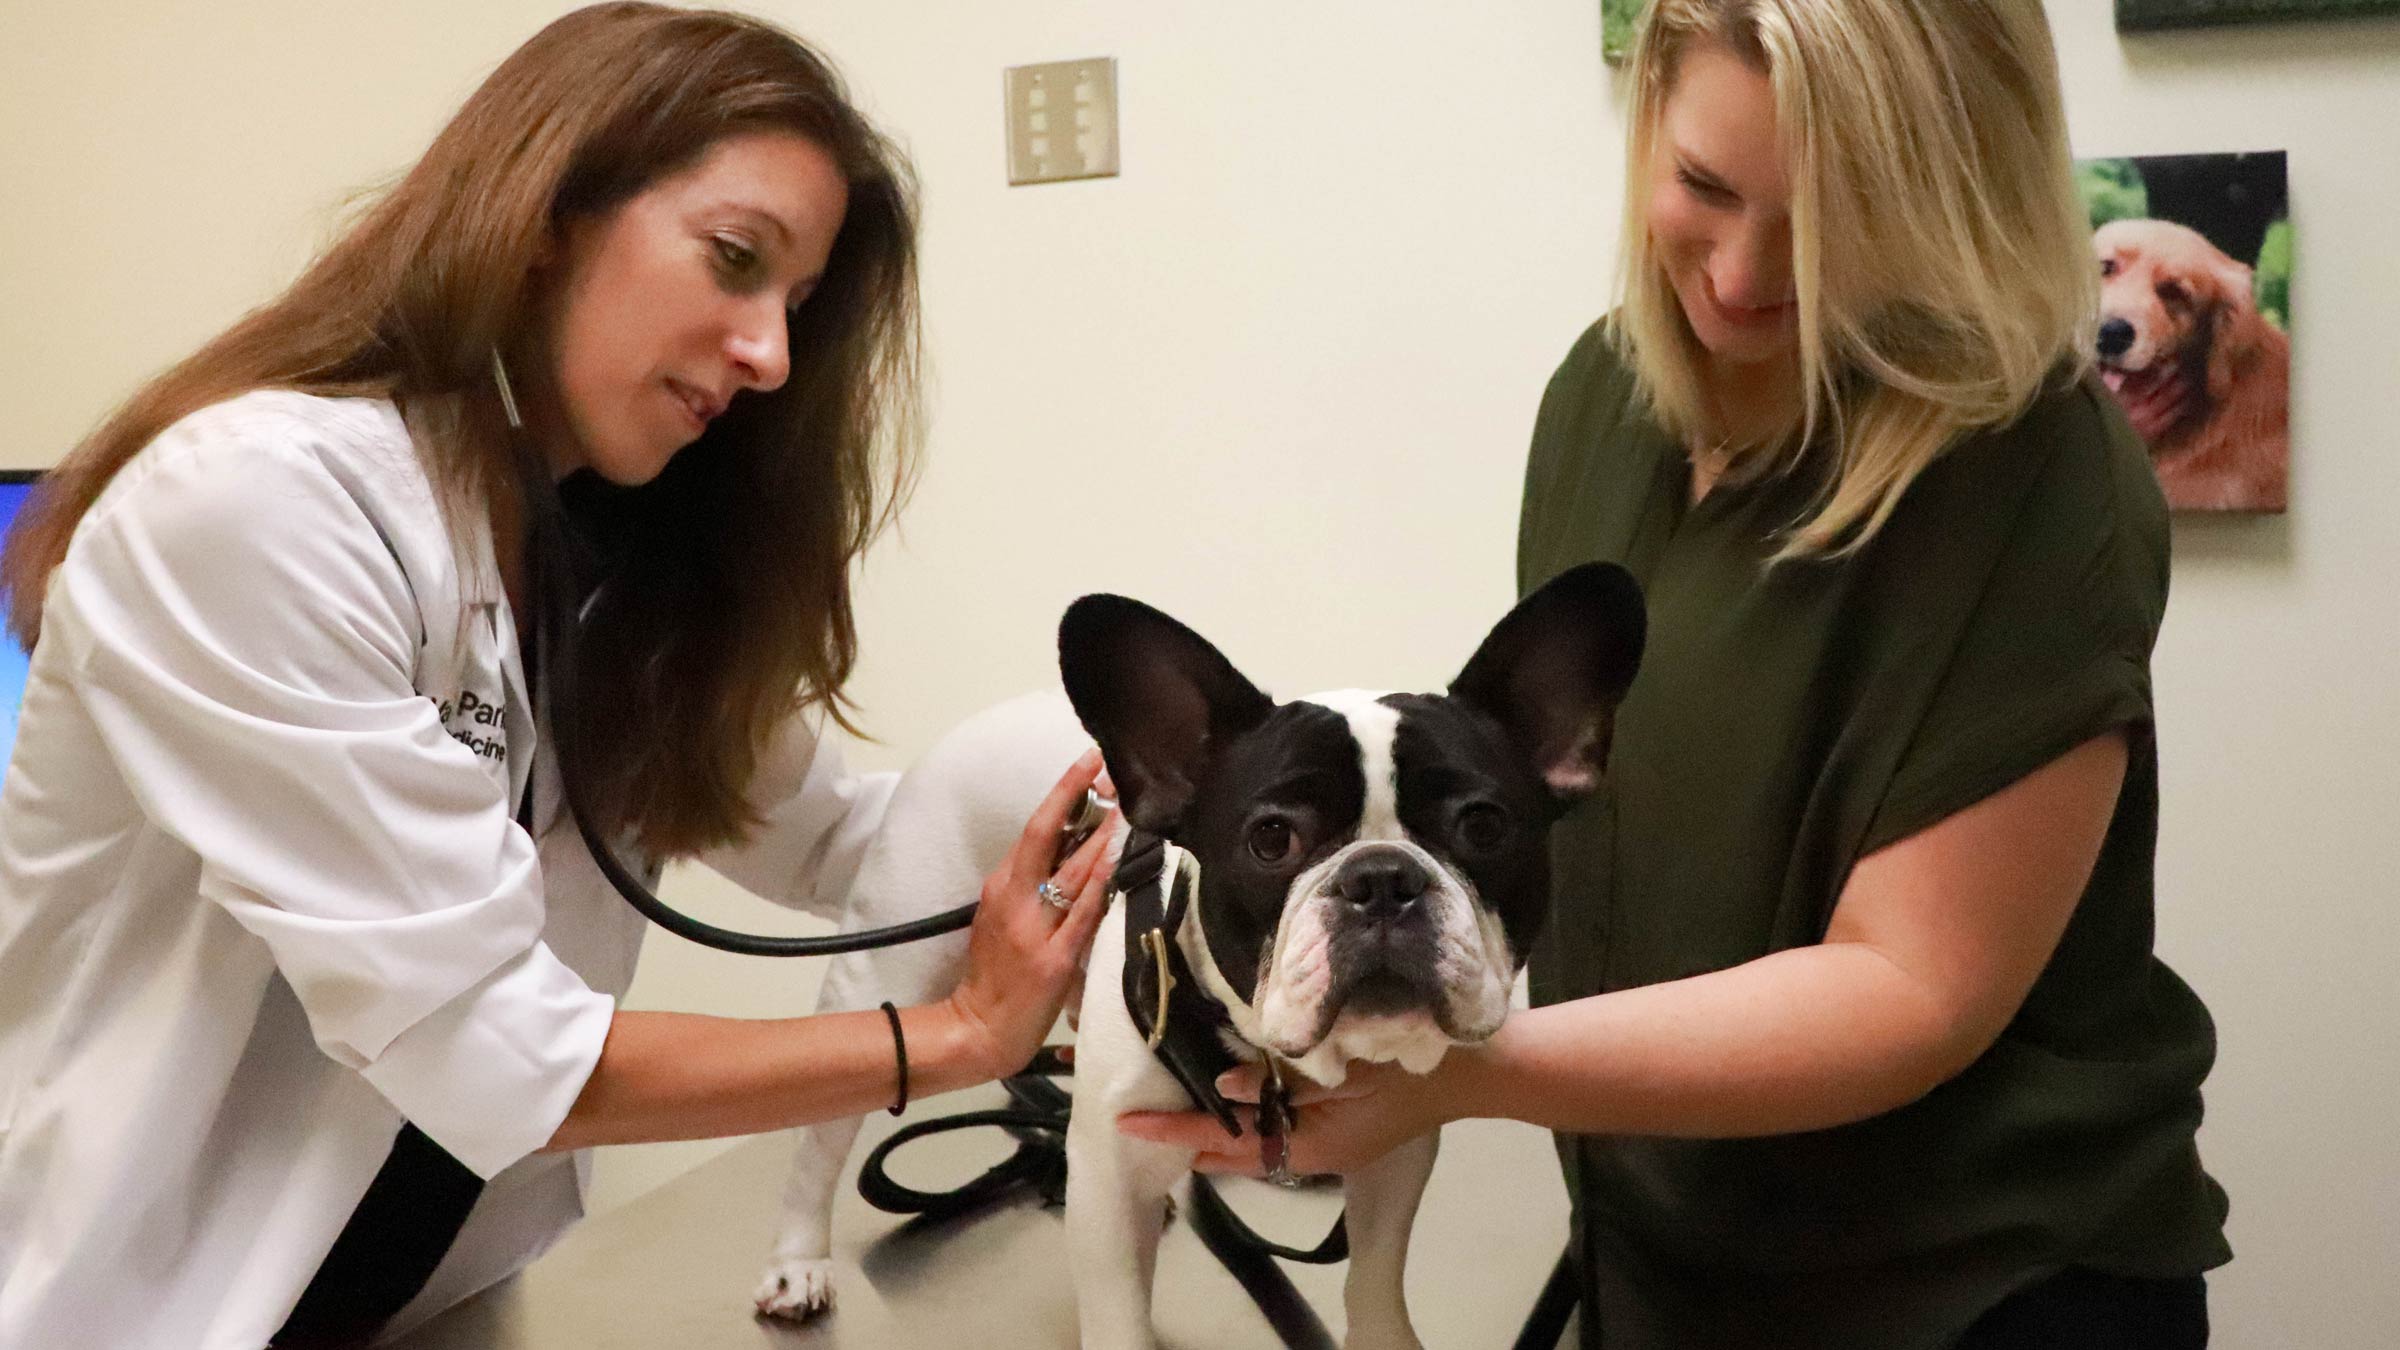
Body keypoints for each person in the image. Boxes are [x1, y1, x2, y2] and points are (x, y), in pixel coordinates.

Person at [0, 6, 1115, 1347]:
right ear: (546, 217)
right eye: (734, 260)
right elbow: (490, 1050)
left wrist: (1140, 832)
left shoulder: (603, 558)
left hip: (441, 1301)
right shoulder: (256, 507)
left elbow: (844, 843)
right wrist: (952, 1035)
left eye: (797, 306)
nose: (769, 354)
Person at [1119, 3, 2229, 1347]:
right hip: (1659, 1268)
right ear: (1650, 114)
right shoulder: (1604, 398)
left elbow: (1910, 991)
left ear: (1956, 195)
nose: (1746, 273)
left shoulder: (2041, 473)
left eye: (1835, 215)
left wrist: (1459, 1068)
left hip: (1972, 1293)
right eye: (1705, 186)